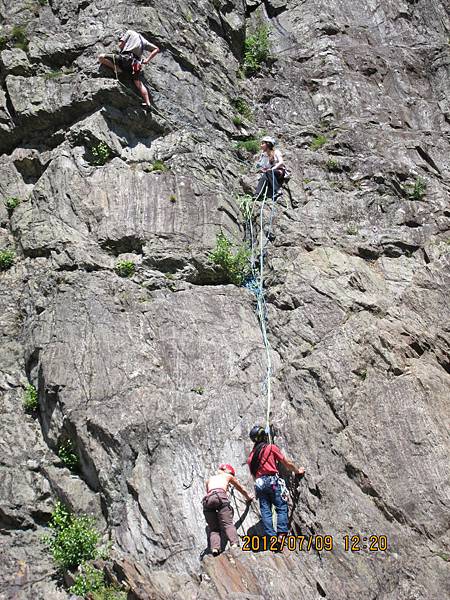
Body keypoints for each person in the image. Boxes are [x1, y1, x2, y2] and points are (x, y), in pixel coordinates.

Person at [247, 426, 304, 542]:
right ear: (264, 436)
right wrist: (298, 471)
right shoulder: (270, 448)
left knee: (265, 511)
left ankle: (271, 537)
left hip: (259, 484)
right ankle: (281, 534)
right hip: (271, 481)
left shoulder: (251, 457)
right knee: (281, 506)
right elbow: (286, 463)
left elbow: (254, 476)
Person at [99, 30, 160, 107]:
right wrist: (147, 60)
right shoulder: (143, 40)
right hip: (136, 64)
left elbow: (120, 45)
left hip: (125, 59)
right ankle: (148, 103)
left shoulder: (129, 32)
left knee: (101, 57)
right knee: (138, 83)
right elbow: (157, 49)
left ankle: (117, 69)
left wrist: (121, 43)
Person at [203, 463, 253, 555]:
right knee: (228, 524)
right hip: (220, 497)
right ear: (228, 472)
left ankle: (215, 548)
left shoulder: (210, 479)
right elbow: (240, 488)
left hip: (208, 501)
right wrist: (248, 497)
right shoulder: (228, 476)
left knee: (214, 529)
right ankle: (234, 544)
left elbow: (209, 492)